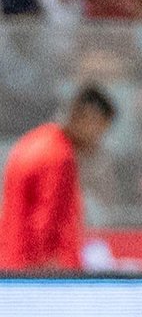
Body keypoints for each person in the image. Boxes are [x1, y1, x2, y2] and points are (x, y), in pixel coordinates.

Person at [0, 84, 116, 271]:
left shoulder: (36, 140)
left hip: (13, 268)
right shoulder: (59, 156)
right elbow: (46, 227)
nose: (98, 142)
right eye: (100, 131)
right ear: (89, 119)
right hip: (40, 276)